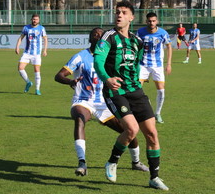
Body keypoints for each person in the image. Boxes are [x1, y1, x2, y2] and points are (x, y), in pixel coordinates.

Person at [93, 0, 169, 191]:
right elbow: (98, 61)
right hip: (115, 91)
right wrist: (107, 78)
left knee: (152, 134)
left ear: (131, 17)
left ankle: (154, 178)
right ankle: (112, 162)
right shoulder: (108, 37)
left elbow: (136, 65)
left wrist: (137, 81)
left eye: (124, 12)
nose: (119, 15)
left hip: (136, 91)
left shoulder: (137, 41)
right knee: (132, 129)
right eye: (117, 12)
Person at [54, 27, 149, 177]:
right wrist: (70, 81)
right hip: (83, 100)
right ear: (90, 39)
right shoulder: (80, 56)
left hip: (105, 102)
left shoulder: (111, 57)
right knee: (80, 119)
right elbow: (58, 75)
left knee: (129, 131)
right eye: (94, 34)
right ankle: (82, 163)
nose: (98, 36)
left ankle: (136, 162)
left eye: (100, 34)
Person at [136, 12, 172, 124]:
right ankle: (142, 112)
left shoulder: (162, 33)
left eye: (153, 21)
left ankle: (157, 113)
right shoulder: (140, 32)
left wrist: (169, 64)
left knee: (161, 91)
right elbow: (135, 46)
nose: (151, 23)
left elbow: (169, 47)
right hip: (143, 65)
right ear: (146, 21)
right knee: (137, 90)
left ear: (157, 21)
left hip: (157, 66)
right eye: (149, 21)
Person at [15, 14, 48, 95]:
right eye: (33, 19)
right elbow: (21, 38)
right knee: (20, 68)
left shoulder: (41, 28)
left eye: (36, 19)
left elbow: (45, 39)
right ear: (31, 19)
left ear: (38, 20)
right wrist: (17, 47)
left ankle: (37, 89)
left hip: (36, 54)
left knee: (37, 70)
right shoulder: (26, 28)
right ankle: (28, 82)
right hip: (27, 52)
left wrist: (45, 50)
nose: (35, 21)